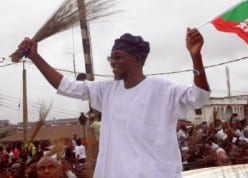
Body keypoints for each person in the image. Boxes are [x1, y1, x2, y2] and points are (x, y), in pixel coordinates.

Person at [17, 27, 210, 178]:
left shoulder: (162, 89)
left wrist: (196, 56)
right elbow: (66, 86)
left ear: (135, 59)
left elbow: (199, 96)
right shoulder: (107, 91)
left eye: (117, 57)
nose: (112, 62)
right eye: (111, 57)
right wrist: (35, 57)